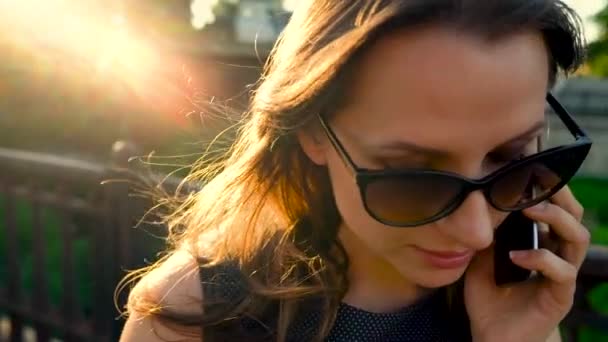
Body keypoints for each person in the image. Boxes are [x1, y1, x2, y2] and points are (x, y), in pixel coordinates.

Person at [119, 0, 593, 341]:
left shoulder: (511, 298)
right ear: (313, 132)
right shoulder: (191, 314)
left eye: (512, 160)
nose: (477, 234)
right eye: (411, 175)